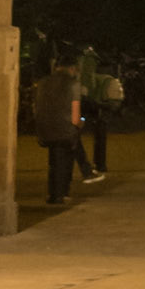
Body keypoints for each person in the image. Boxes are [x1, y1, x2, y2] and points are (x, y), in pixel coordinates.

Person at [32, 56, 102, 202]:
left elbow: (36, 106)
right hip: (65, 131)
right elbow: (76, 114)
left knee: (54, 162)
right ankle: (62, 192)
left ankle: (56, 193)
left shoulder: (43, 82)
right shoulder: (73, 84)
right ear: (72, 69)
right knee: (66, 158)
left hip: (43, 128)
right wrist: (82, 121)